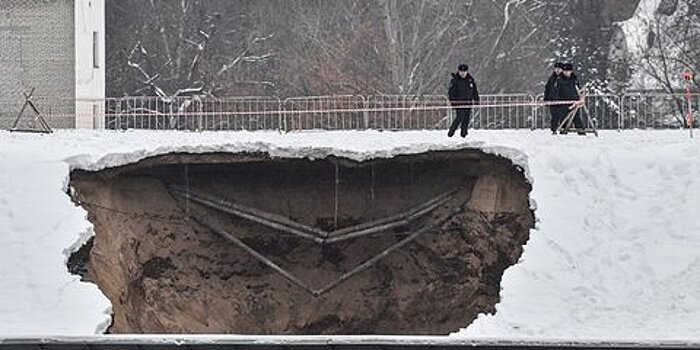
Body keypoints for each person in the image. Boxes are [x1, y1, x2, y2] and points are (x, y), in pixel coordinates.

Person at [447, 64, 480, 137]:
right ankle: (451, 132)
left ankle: (464, 134)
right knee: (460, 117)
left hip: (468, 103)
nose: (462, 73)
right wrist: (453, 103)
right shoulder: (455, 80)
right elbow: (451, 93)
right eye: (461, 71)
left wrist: (476, 100)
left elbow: (474, 91)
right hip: (459, 103)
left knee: (466, 119)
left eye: (464, 72)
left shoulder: (470, 80)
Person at [553, 62, 584, 133]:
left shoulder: (574, 79)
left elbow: (578, 89)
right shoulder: (559, 80)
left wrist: (579, 98)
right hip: (563, 102)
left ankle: (581, 132)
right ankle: (563, 132)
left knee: (577, 118)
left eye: (568, 71)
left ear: (571, 71)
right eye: (565, 71)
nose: (566, 73)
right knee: (563, 119)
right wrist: (557, 100)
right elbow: (556, 91)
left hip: (574, 101)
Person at [544, 62, 564, 134]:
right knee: (554, 115)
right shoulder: (552, 78)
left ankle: (563, 129)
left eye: (559, 69)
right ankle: (554, 129)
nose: (557, 70)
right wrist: (546, 99)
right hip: (553, 100)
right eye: (556, 68)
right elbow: (547, 88)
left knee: (562, 115)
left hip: (562, 100)